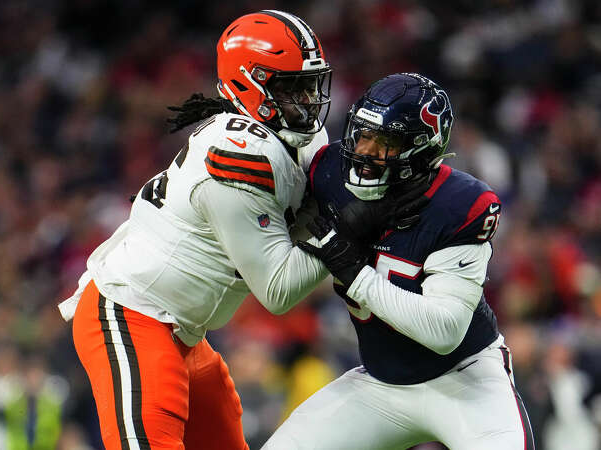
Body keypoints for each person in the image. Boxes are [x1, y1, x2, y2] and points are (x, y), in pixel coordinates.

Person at [57, 10, 335, 450]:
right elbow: (279, 289)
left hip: (184, 332)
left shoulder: (293, 141)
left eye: (308, 84)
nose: (305, 99)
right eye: (289, 86)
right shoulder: (238, 154)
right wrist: (348, 230)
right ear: (250, 84)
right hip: (133, 315)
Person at [262, 73, 535, 450]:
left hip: (465, 379)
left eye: (385, 142)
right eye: (363, 135)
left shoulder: (458, 205)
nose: (367, 151)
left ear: (421, 151)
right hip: (380, 383)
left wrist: (356, 276)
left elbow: (444, 332)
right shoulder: (328, 173)